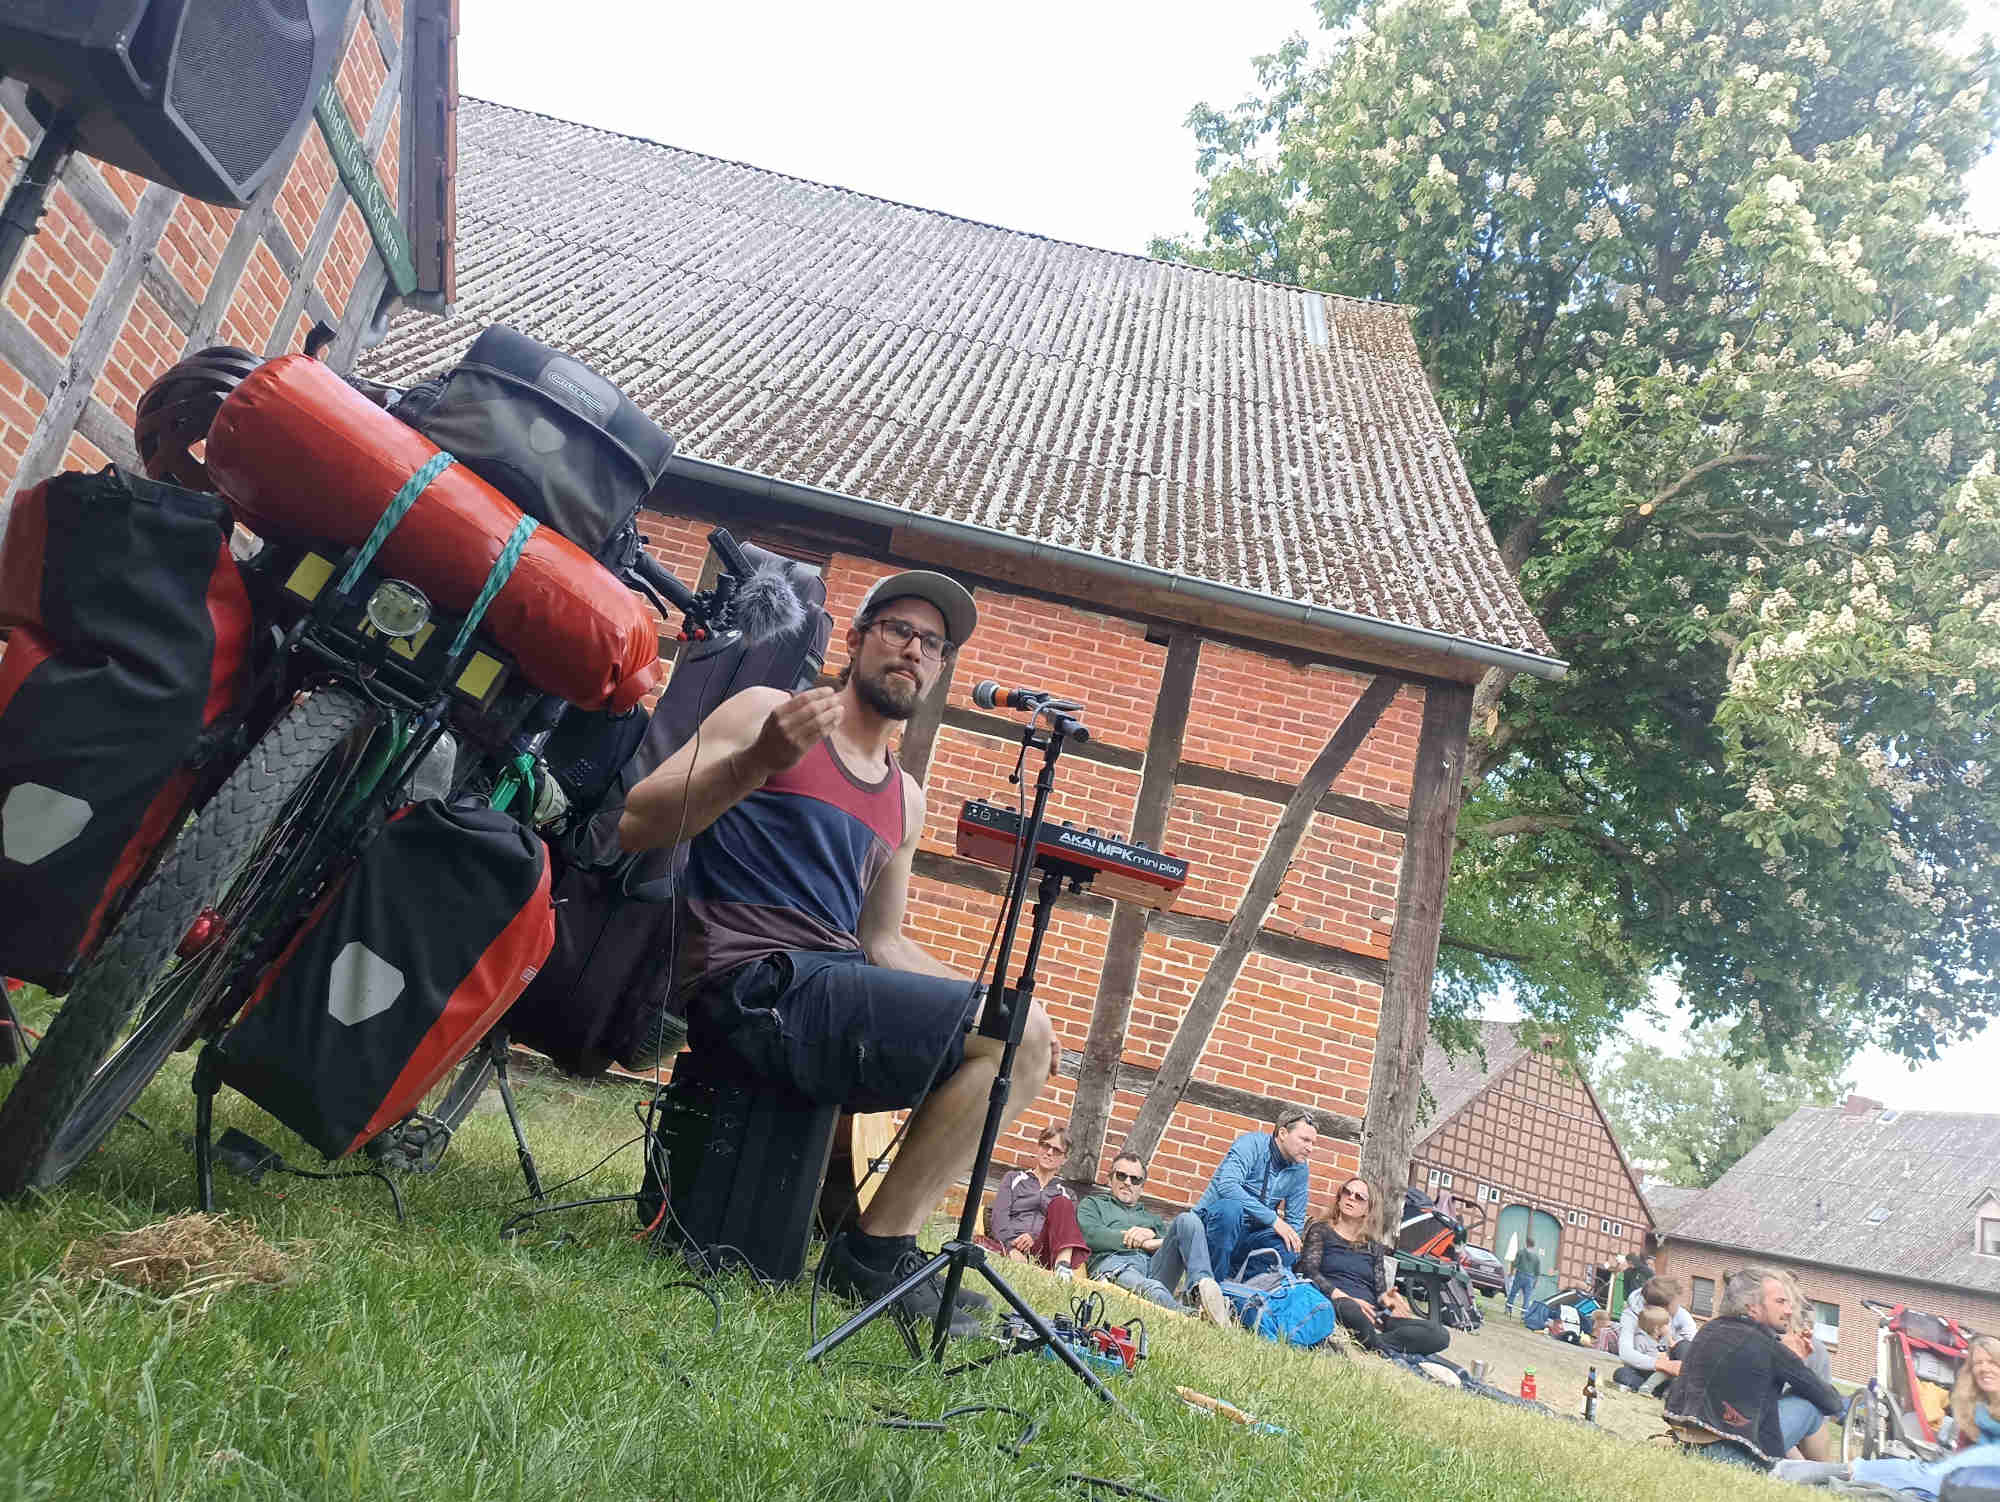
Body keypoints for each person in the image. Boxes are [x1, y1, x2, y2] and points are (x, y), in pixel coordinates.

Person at [621, 570, 1053, 1335]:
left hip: (827, 990)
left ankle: (877, 1245)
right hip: (751, 986)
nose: (914, 650)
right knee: (1019, 1032)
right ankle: (873, 1258)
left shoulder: (904, 797)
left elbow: (882, 942)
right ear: (855, 639)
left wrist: (995, 1003)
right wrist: (756, 761)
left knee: (1019, 1033)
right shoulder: (767, 712)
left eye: (933, 644)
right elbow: (638, 823)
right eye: (899, 630)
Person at [1663, 1266, 1844, 1471]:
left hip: (1685, 1441)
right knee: (1808, 1406)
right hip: (1731, 1453)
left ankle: (1802, 1469)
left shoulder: (1709, 1329)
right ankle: (1827, 1473)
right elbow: (1830, 1402)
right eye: (1780, 1302)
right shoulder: (1769, 1346)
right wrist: (1795, 1361)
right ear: (1752, 1308)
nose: (1789, 1311)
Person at [1298, 1175, 1449, 1357]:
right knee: (1350, 1309)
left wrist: (1388, 1299)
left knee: (1439, 1334)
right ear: (1339, 1197)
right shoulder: (1321, 1230)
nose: (1351, 1198)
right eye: (1347, 1192)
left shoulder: (1373, 1245)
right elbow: (1309, 1272)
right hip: (1338, 1305)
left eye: (1359, 1197)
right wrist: (1347, 1298)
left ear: (1368, 1209)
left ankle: (1374, 1342)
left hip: (1373, 1315)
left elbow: (1379, 1290)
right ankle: (1381, 1347)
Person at [1076, 1151, 1231, 1325]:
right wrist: (1141, 1241)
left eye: (1135, 1179)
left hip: (1154, 1268)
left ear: (1141, 1186)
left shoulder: (1152, 1219)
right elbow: (1091, 1236)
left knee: (1188, 1220)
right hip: (1116, 1265)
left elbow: (1171, 1243)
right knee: (1154, 1289)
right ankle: (1195, 1319)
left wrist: (1152, 1237)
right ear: (1110, 1178)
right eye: (1121, 1176)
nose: (1128, 1182)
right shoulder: (1092, 1204)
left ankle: (1200, 1290)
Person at [1194, 1107, 1316, 1281]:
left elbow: (1295, 1221)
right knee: (1230, 1209)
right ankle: (1211, 1282)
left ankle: (1236, 1283)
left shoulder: (1300, 1169)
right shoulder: (1251, 1144)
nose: (1309, 1148)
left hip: (1252, 1235)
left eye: (1313, 1143)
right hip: (1216, 1224)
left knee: (1289, 1246)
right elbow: (1227, 1186)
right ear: (1283, 1133)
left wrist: (1292, 1243)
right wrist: (1273, 1220)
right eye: (1304, 1140)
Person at [985, 1124, 1087, 1278]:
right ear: (1038, 1147)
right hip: (1012, 1242)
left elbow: (1066, 1232)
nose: (1049, 1152)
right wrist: (1011, 1247)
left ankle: (1063, 1269)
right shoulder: (1013, 1178)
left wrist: (1033, 1237)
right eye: (1046, 1146)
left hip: (1043, 1251)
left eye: (1057, 1150)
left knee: (1062, 1203)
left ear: (1065, 1159)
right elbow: (999, 1216)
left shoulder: (1067, 1194)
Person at [1613, 1276, 1697, 1393]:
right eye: (1676, 1302)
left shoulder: (1682, 1317)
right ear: (1663, 1306)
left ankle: (1675, 1389)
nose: (1679, 1306)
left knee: (1685, 1345)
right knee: (1622, 1374)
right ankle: (1655, 1389)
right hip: (1645, 1369)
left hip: (1670, 1373)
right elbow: (1626, 1353)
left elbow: (1693, 1350)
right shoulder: (1631, 1315)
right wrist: (1663, 1364)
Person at [1505, 1236, 1542, 1316]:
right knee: (1527, 1297)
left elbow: (1514, 1264)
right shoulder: (1536, 1257)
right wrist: (1535, 1283)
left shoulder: (1521, 1252)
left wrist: (1511, 1273)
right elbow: (1537, 1272)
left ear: (1526, 1243)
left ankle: (1508, 1308)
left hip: (1520, 1275)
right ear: (1534, 1245)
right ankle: (1524, 1313)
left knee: (1513, 1292)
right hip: (1530, 1278)